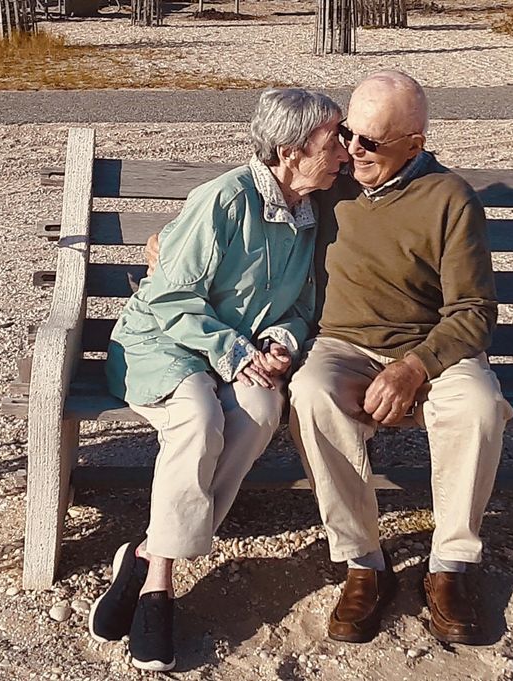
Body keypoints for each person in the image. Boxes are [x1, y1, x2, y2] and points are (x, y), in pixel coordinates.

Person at [89, 87, 349, 672]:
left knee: (259, 413)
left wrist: (282, 344)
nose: (344, 151)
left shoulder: (307, 212)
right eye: (333, 139)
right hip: (163, 343)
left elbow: (300, 306)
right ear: (289, 149)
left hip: (236, 355)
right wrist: (233, 351)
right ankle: (159, 580)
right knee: (199, 419)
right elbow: (170, 297)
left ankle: (145, 548)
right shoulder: (223, 200)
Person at [289, 70, 513, 646]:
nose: (352, 151)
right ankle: (363, 562)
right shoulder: (332, 177)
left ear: (414, 143)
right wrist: (171, 234)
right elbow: (256, 186)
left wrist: (414, 368)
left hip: (430, 348)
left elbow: (474, 311)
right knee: (311, 395)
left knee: (480, 407)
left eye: (371, 142)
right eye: (347, 134)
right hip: (341, 344)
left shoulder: (450, 199)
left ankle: (450, 566)